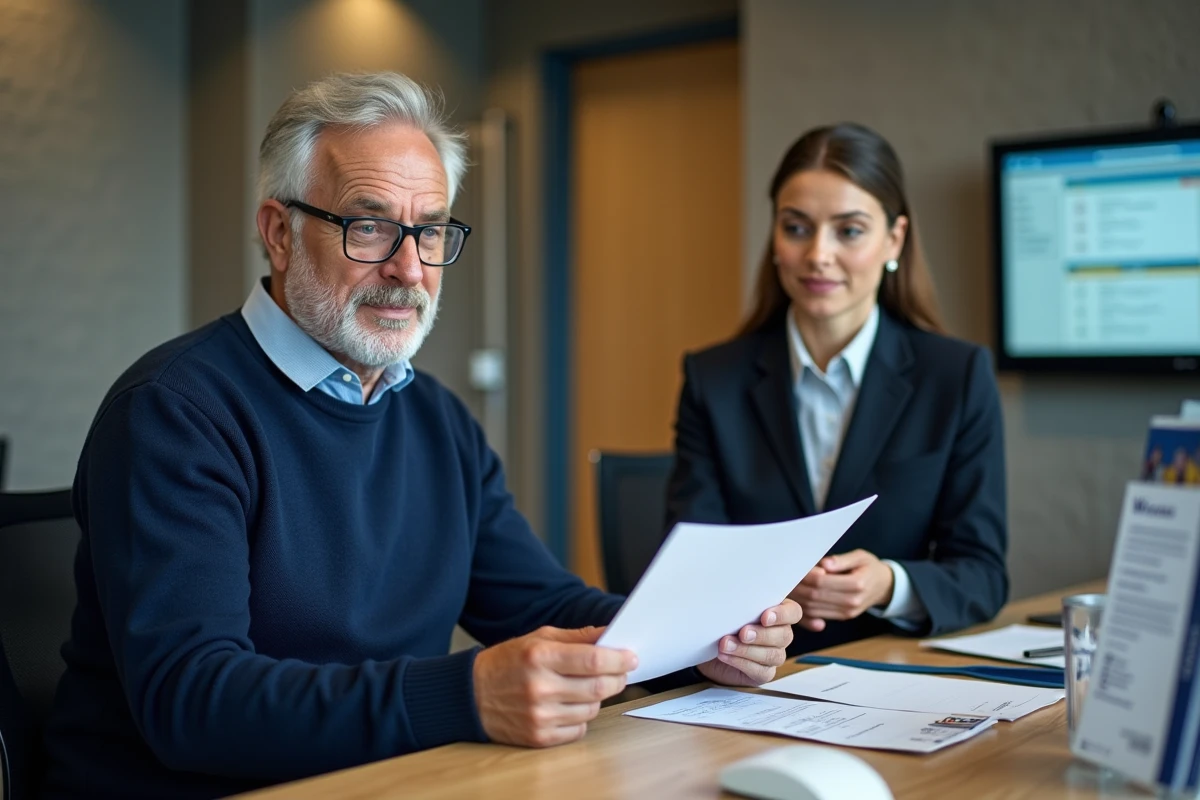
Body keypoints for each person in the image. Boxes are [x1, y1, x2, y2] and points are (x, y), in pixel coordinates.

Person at [42, 72, 800, 800]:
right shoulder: (173, 412)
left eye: (430, 230)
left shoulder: (438, 419)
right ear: (279, 233)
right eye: (369, 226)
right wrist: (465, 694)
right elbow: (192, 702)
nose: (409, 269)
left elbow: (541, 604)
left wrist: (699, 645)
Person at [665, 122, 1007, 655]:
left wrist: (889, 584)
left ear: (894, 239)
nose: (818, 254)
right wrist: (769, 585)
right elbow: (691, 565)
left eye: (849, 231)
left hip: (893, 672)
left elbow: (982, 574)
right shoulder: (714, 380)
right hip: (749, 673)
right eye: (796, 228)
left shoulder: (956, 377)